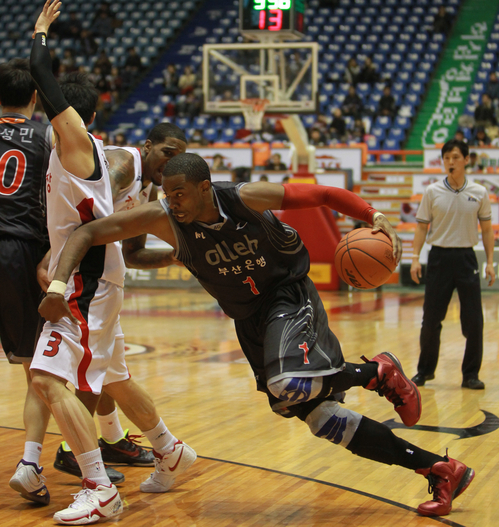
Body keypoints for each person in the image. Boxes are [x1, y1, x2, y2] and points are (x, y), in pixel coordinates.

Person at [43, 151, 475, 519]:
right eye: (166, 194)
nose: (172, 203)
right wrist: (59, 284)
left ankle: (374, 373)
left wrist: (373, 215)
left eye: (180, 194)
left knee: (287, 383)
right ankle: (439, 470)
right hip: (248, 318)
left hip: (288, 295)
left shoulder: (246, 198)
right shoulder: (162, 219)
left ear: (205, 187)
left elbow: (322, 194)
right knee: (322, 420)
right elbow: (88, 232)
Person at [28, 2, 196, 523]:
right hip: (99, 275)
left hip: (87, 280)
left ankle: (99, 487)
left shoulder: (81, 147)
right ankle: (170, 449)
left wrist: (40, 31)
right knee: (116, 380)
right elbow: (126, 231)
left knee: (48, 379)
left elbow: (40, 74)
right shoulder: (109, 160)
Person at [52, 122, 189, 482]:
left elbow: (134, 254)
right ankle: (75, 454)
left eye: (180, 158)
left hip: (106, 280)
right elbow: (91, 214)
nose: (172, 162)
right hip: (81, 276)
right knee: (88, 372)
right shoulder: (124, 166)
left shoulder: (146, 191)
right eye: (167, 153)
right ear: (148, 146)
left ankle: (164, 447)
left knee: (114, 375)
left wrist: (174, 256)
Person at [0, 58, 53, 506]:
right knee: (36, 369)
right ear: (34, 98)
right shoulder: (48, 137)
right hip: (19, 253)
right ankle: (30, 465)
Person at [410, 139, 496, 390]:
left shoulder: (479, 192)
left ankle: (470, 374)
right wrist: (415, 258)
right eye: (446, 157)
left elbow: (488, 230)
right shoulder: (432, 191)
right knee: (431, 320)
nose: (450, 162)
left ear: (467, 160)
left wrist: (490, 262)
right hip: (438, 258)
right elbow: (422, 227)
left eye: (456, 157)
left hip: (466, 258)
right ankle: (424, 371)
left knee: (474, 321)